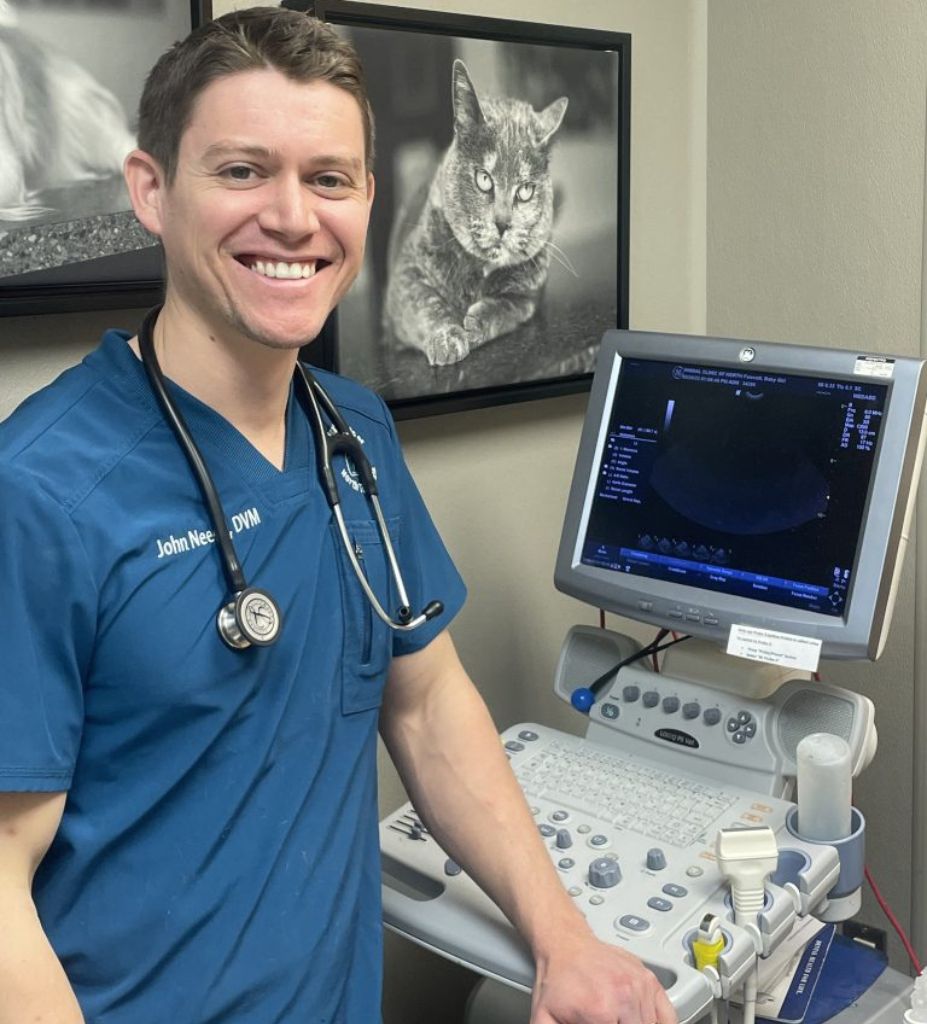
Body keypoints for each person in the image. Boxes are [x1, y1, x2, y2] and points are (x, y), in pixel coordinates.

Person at [0, 8, 677, 1024]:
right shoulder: (45, 488)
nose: (292, 217)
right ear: (151, 191)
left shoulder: (352, 435)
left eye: (329, 178)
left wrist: (563, 937)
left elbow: (426, 703)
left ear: (368, 197)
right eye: (241, 171)